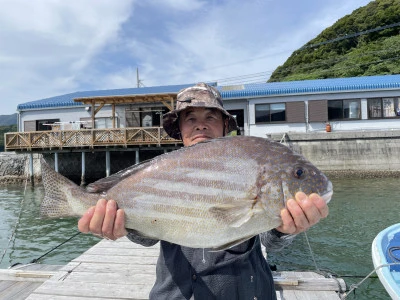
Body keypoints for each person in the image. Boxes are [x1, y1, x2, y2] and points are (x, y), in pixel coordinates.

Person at [78, 83, 329, 299]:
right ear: (181, 130)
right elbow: (148, 236)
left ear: (223, 125)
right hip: (177, 293)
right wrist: (122, 225)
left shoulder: (250, 162)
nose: (201, 126)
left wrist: (284, 230)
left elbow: (269, 242)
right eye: (191, 119)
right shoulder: (161, 170)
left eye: (210, 117)